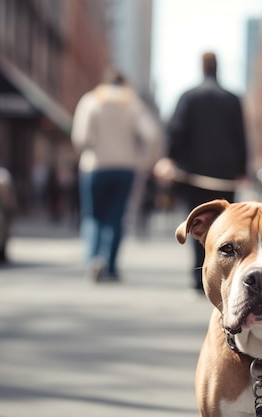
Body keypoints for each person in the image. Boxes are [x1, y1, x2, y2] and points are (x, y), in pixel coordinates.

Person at [163, 52, 248, 293]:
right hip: (224, 176)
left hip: (194, 174)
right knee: (224, 229)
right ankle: (222, 276)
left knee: (199, 226)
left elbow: (176, 130)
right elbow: (240, 136)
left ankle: (199, 276)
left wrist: (171, 158)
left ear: (202, 68)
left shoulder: (189, 97)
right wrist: (242, 168)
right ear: (218, 68)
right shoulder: (232, 99)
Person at [72, 68, 161, 282]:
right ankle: (110, 266)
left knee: (93, 216)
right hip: (125, 169)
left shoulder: (91, 101)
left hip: (94, 167)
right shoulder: (132, 104)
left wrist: (87, 150)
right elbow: (152, 136)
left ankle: (93, 259)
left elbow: (80, 136)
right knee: (116, 218)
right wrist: (144, 162)